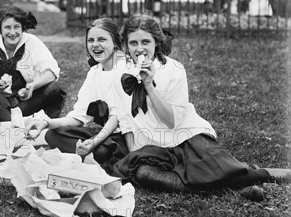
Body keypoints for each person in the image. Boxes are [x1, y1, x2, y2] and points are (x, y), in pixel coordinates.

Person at [110, 13, 290, 200]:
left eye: (145, 42)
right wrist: (135, 155)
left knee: (214, 168)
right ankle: (230, 190)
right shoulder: (119, 73)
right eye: (133, 43)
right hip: (152, 145)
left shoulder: (174, 69)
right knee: (145, 173)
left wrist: (149, 85)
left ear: (156, 42)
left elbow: (172, 121)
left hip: (185, 137)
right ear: (126, 45)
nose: (140, 49)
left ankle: (263, 174)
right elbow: (125, 120)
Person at [25, 18, 129, 170]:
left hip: (126, 135)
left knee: (100, 150)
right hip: (105, 134)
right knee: (52, 135)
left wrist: (94, 141)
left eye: (102, 39)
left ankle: (95, 156)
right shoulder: (95, 72)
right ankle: (90, 157)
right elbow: (78, 117)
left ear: (115, 42)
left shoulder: (123, 70)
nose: (95, 45)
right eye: (91, 40)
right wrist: (46, 123)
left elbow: (118, 118)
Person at [0, 5, 66, 133]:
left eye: (16, 27)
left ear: (22, 27)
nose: (12, 33)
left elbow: (51, 71)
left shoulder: (32, 42)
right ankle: (16, 121)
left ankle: (3, 122)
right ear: (0, 29)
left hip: (26, 102)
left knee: (53, 88)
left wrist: (33, 86)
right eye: (7, 27)